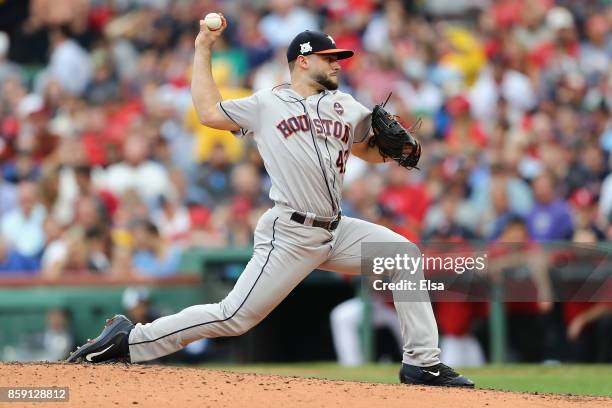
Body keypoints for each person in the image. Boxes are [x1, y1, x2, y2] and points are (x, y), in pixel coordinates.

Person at [67, 15, 473, 388]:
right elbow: (208, 112)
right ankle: (131, 340)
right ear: (302, 60)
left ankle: (422, 363)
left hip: (337, 228)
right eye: (329, 58)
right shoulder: (266, 104)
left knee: (403, 255)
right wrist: (203, 48)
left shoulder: (347, 105)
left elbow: (367, 149)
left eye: (340, 58)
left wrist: (393, 151)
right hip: (291, 232)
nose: (337, 64)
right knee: (233, 317)